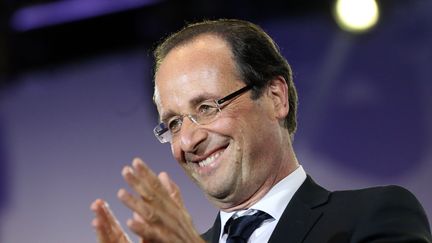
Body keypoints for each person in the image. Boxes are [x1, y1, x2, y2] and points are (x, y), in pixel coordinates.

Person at [90, 19, 432, 243]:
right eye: (174, 123)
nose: (188, 140)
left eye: (206, 108)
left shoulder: (372, 217)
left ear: (275, 97)